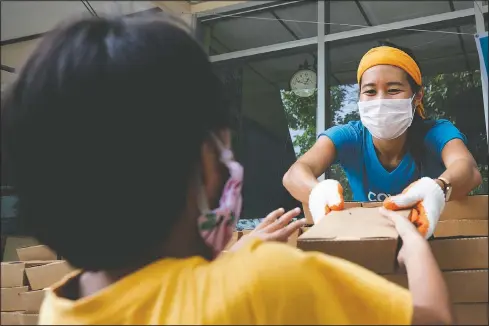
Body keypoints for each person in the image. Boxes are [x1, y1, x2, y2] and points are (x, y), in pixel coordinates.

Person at [2, 15, 453, 325]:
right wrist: (411, 242)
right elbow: (431, 318)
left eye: (392, 89)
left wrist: (232, 257)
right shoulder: (266, 279)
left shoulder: (60, 305)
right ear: (204, 160)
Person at [283, 41, 482, 238]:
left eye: (393, 90)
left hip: (434, 242)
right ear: (359, 98)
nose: (380, 100)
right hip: (372, 242)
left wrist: (439, 187)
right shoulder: (349, 137)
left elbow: (467, 168)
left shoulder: (436, 132)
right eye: (369, 91)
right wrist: (316, 191)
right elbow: (294, 174)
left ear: (418, 96)